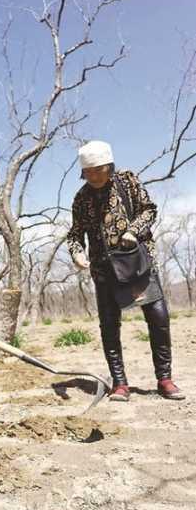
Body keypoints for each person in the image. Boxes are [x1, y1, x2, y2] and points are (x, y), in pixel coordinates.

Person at [67, 140, 185, 402]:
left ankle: (165, 379)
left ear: (109, 166)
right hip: (103, 268)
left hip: (137, 264)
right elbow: (75, 234)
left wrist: (133, 231)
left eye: (99, 170)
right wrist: (76, 253)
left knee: (158, 318)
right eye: (88, 172)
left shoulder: (127, 181)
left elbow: (149, 210)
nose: (94, 176)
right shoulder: (81, 198)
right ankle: (120, 384)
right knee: (109, 325)